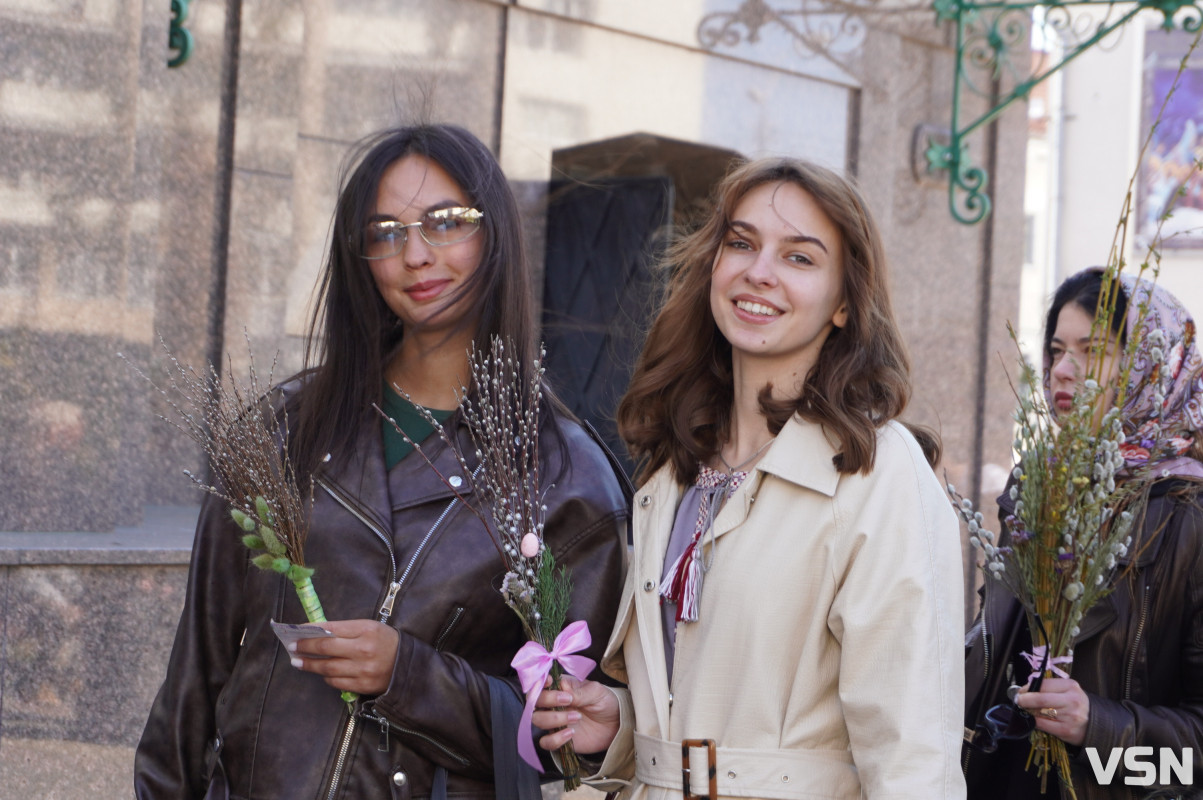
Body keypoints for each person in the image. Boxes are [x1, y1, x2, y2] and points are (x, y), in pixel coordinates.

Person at [134, 124, 630, 800]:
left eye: (446, 223)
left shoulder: (566, 477)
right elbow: (195, 675)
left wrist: (408, 675)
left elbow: (570, 747)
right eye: (386, 232)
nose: (416, 255)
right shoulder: (285, 430)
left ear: (496, 235)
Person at [531, 157, 967, 799]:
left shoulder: (876, 471)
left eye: (800, 257)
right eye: (741, 243)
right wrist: (624, 724)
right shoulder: (675, 468)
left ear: (845, 301)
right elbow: (708, 700)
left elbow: (912, 758)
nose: (758, 271)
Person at [962, 268, 1203, 799]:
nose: (1063, 372)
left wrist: (1097, 726)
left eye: (1091, 351)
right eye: (1056, 350)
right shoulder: (1036, 485)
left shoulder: (1187, 514)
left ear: (1151, 367)